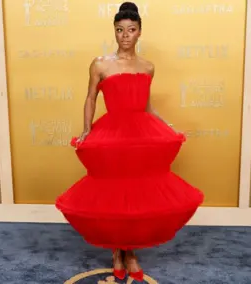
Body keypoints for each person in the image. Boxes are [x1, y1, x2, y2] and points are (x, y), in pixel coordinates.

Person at [55, 2, 204, 282]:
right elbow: (90, 98)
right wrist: (86, 129)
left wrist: (164, 126)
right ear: (114, 31)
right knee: (113, 193)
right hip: (111, 134)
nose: (125, 35)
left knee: (135, 195)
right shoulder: (100, 64)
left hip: (139, 135)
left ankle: (131, 252)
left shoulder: (148, 67)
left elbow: (146, 106)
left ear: (139, 33)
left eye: (131, 30)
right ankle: (116, 252)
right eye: (120, 30)